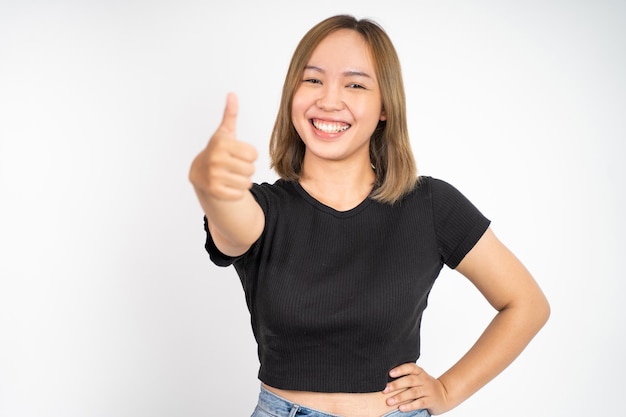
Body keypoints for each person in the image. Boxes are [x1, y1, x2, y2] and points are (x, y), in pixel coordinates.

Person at [189, 14, 550, 417]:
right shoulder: (264, 209)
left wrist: (448, 390)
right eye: (313, 80)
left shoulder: (430, 204)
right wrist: (210, 186)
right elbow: (232, 220)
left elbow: (526, 304)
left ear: (384, 107)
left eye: (355, 84)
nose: (328, 100)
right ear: (292, 93)